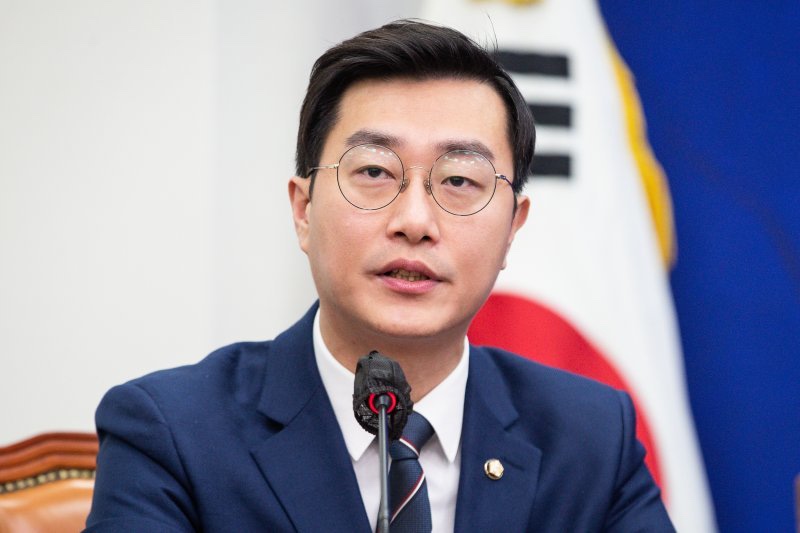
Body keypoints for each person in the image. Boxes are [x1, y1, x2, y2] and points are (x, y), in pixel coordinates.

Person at [85, 20, 674, 532]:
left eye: (459, 181)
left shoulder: (592, 439)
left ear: (512, 230)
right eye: (373, 172)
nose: (414, 222)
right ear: (303, 210)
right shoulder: (172, 433)